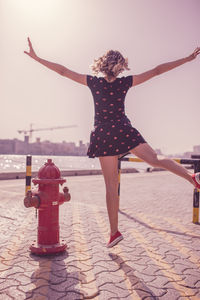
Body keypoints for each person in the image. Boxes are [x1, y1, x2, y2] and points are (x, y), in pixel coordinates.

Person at [24, 38, 200, 248]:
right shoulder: (125, 82)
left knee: (111, 186)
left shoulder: (93, 82)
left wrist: (37, 58)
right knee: (154, 159)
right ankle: (192, 177)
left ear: (102, 65)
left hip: (104, 134)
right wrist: (187, 59)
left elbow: (63, 71)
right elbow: (157, 71)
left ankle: (114, 232)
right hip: (124, 130)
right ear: (120, 67)